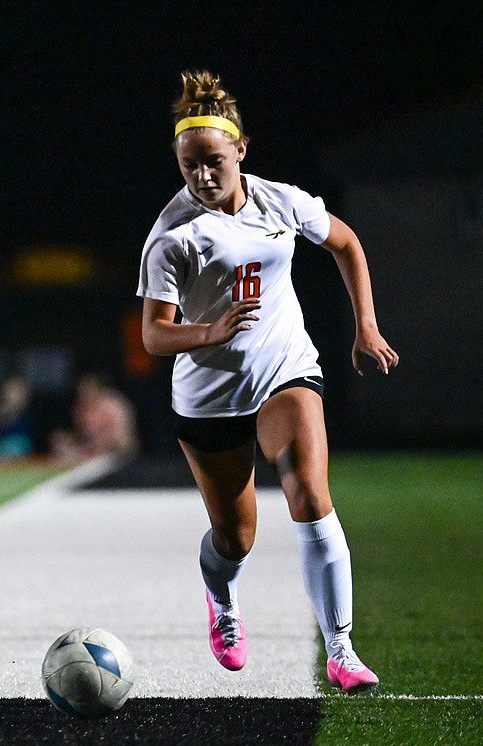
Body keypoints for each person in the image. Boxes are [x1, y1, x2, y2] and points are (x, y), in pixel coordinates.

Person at [137, 71, 399, 693]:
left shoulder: (282, 201)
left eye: (213, 162)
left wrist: (365, 323)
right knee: (237, 537)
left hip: (286, 370)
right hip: (210, 394)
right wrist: (209, 333)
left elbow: (346, 242)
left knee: (311, 494)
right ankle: (222, 601)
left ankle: (341, 648)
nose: (202, 176)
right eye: (189, 165)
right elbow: (154, 337)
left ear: (241, 152)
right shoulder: (172, 237)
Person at [48, 374, 139, 463]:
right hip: (86, 454)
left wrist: (91, 449)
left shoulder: (114, 407)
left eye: (88, 390)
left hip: (117, 455)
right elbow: (78, 435)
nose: (84, 394)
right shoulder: (79, 408)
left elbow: (120, 440)